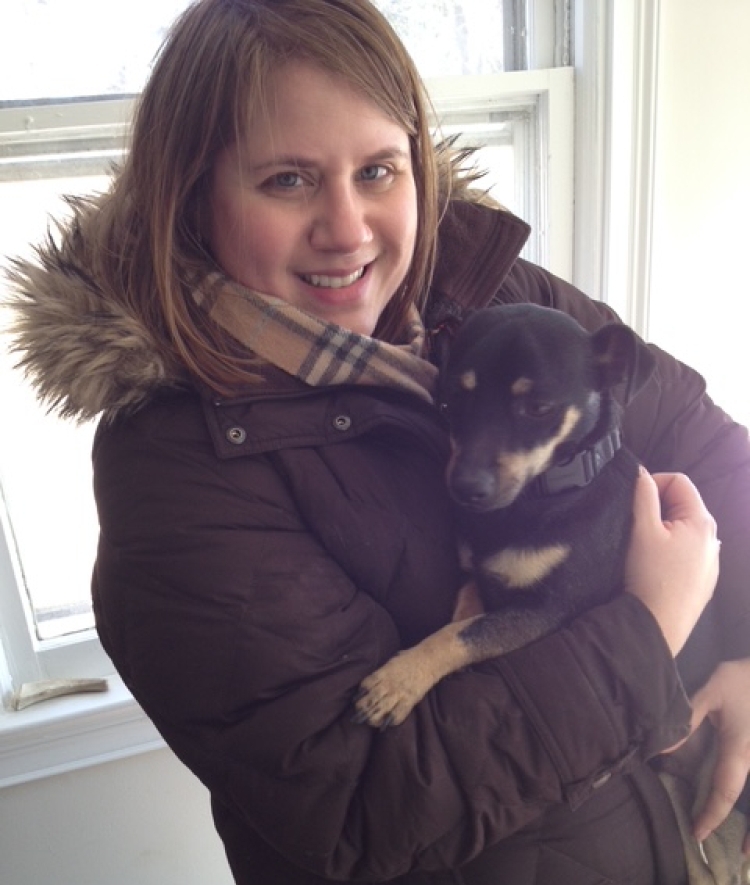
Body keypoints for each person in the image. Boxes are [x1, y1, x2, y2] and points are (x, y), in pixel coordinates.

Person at [4, 1, 749, 882]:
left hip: (689, 830)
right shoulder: (176, 479)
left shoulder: (499, 297)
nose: (349, 229)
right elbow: (361, 810)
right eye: (287, 179)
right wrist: (649, 631)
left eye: (379, 170)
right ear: (193, 196)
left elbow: (715, 454)